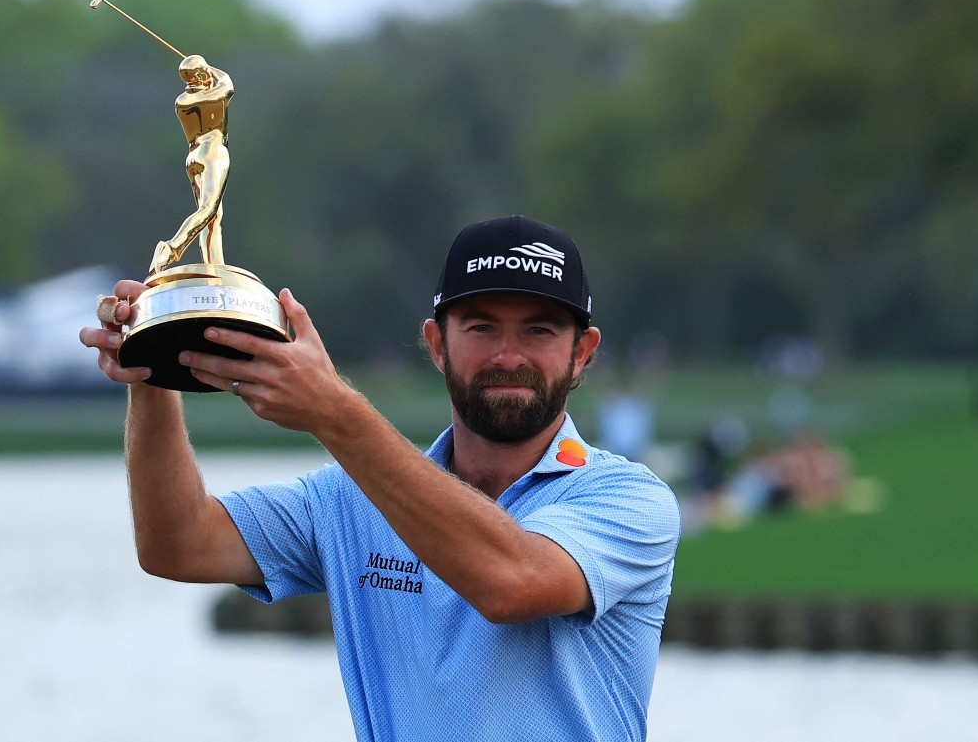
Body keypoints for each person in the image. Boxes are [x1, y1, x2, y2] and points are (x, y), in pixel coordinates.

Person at [80, 215, 681, 741]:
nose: (507, 355)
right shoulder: (349, 497)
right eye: (480, 327)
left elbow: (510, 583)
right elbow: (179, 544)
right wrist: (152, 369)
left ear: (583, 352)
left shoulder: (630, 499)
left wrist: (334, 411)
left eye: (539, 330)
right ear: (436, 345)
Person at [149, 54, 234, 275]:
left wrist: (200, 68)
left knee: (212, 216)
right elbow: (228, 84)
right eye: (203, 72)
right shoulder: (212, 95)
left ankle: (214, 266)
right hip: (213, 152)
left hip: (193, 156)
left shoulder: (182, 101)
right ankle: (171, 248)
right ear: (199, 75)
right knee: (208, 209)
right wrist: (210, 67)